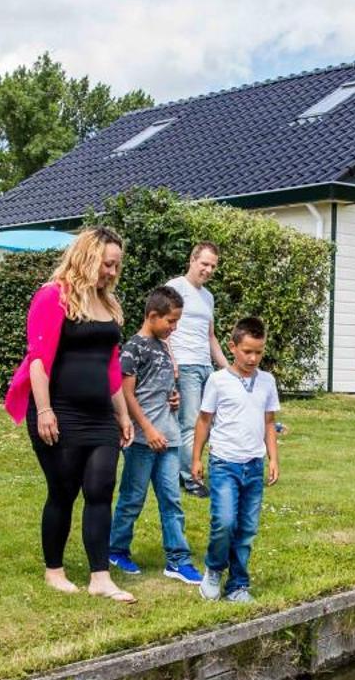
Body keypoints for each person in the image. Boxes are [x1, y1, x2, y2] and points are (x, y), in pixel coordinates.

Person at [3, 226, 137, 602]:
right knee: (63, 491)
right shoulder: (52, 296)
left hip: (100, 416)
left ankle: (100, 577)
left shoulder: (108, 304)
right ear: (88, 257)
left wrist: (123, 415)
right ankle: (55, 571)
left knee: (100, 489)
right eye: (108, 264)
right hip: (59, 411)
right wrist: (44, 410)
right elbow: (38, 361)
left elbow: (112, 368)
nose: (112, 272)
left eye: (116, 266)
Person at [109, 285, 204, 584]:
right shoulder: (134, 348)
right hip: (141, 440)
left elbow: (159, 388)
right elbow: (126, 394)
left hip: (169, 438)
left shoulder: (164, 347)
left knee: (171, 500)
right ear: (152, 316)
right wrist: (147, 429)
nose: (174, 328)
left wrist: (173, 398)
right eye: (171, 321)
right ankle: (116, 549)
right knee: (132, 498)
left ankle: (177, 560)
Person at [190, 316, 279, 604]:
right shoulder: (218, 381)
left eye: (259, 352)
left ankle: (238, 584)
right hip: (224, 464)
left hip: (253, 466)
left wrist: (273, 459)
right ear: (232, 347)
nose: (253, 358)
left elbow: (269, 423)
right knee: (225, 521)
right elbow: (204, 421)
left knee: (246, 529)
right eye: (247, 351)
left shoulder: (267, 382)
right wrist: (196, 459)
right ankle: (214, 571)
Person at [166, 243, 229, 496]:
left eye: (213, 266)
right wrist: (171, 361)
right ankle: (190, 478)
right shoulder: (176, 287)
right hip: (185, 364)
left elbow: (211, 337)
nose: (208, 269)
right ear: (192, 260)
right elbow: (163, 327)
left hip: (205, 366)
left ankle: (198, 469)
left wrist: (228, 368)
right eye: (204, 263)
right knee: (190, 422)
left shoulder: (208, 297)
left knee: (209, 422)